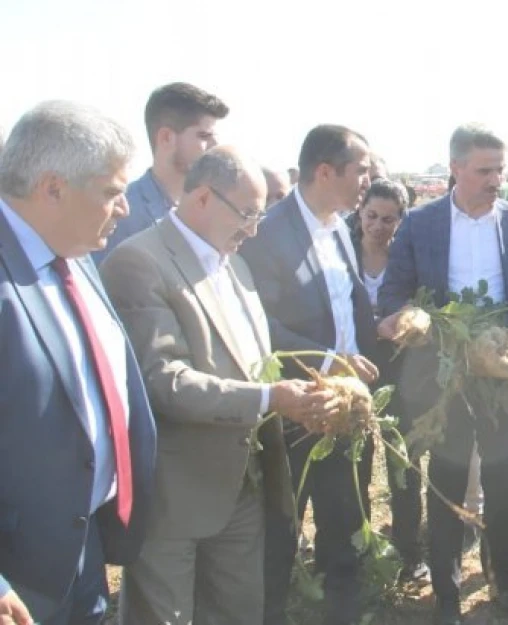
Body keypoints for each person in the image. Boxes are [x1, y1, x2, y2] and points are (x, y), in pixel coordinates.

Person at [100, 147, 337, 623]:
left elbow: (257, 361)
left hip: (243, 485)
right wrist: (270, 398)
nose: (254, 229)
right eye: (247, 213)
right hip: (176, 495)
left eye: (260, 214)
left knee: (238, 610)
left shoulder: (234, 264)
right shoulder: (138, 263)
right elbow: (163, 379)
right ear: (204, 198)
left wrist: (309, 393)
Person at [377, 124, 508, 625]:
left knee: (503, 485)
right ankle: (447, 596)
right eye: (484, 170)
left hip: (502, 376)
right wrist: (416, 323)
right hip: (442, 377)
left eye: (501, 168)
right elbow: (393, 293)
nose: (497, 178)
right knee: (448, 483)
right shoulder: (421, 225)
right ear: (455, 168)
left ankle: (505, 583)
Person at [0, 100, 157, 625]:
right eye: (113, 192)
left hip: (83, 546)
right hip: (16, 578)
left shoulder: (78, 257)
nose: (127, 207)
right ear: (53, 188)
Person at [239, 124, 381, 625]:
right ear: (326, 171)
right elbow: (258, 325)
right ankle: (270, 611)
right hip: (295, 407)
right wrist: (326, 362)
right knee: (281, 523)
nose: (369, 178)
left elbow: (346, 305)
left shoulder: (340, 226)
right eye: (361, 170)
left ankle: (342, 605)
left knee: (345, 512)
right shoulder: (268, 232)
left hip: (346, 405)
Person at [345, 178, 429, 582]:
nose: (378, 226)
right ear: (360, 213)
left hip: (401, 368)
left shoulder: (408, 257)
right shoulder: (341, 251)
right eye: (371, 216)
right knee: (354, 460)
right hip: (354, 366)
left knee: (404, 461)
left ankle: (410, 551)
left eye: (389, 219)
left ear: (401, 221)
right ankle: (358, 547)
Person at [94, 82, 228, 264]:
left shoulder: (212, 214)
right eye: (204, 136)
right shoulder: (122, 216)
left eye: (214, 138)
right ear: (166, 138)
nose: (215, 147)